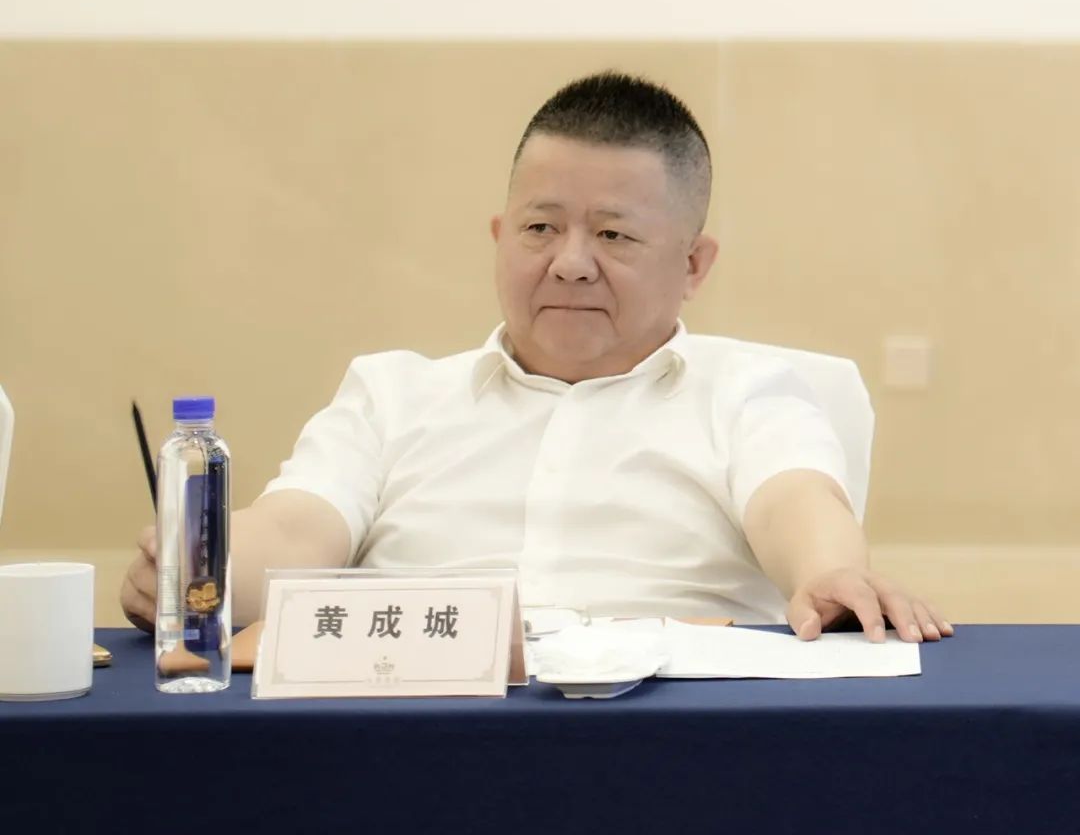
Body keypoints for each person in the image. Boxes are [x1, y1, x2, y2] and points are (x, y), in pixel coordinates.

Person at [122, 72, 951, 644]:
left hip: (672, 737)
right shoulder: (393, 394)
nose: (570, 262)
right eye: (540, 228)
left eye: (615, 235)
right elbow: (299, 530)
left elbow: (797, 502)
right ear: (499, 237)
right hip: (414, 734)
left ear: (694, 266)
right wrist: (200, 569)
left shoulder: (748, 392)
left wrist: (831, 573)